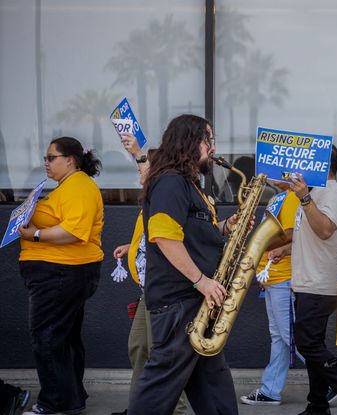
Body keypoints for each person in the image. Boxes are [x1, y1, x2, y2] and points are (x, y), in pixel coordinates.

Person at [128, 114, 239, 415]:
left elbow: (190, 236)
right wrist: (201, 281)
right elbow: (164, 238)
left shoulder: (189, 185)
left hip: (194, 300)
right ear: (188, 142)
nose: (213, 148)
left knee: (214, 383)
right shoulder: (170, 183)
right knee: (160, 385)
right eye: (208, 139)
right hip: (181, 301)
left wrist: (227, 226)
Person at [273, 145, 337, 415]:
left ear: (320, 164)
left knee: (308, 344)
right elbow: (310, 238)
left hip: (319, 283)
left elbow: (326, 230)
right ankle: (317, 405)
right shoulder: (317, 192)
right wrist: (283, 250)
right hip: (310, 281)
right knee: (313, 343)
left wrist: (304, 199)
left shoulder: (330, 192)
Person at [18, 137, 103, 415]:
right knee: (63, 337)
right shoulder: (66, 187)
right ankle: (71, 397)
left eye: (51, 157)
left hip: (61, 272)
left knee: (47, 337)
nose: (45, 162)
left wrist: (36, 234)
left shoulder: (79, 186)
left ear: (70, 160)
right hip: (60, 272)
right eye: (45, 157)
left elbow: (72, 231)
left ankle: (53, 402)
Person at [110, 135, 188, 415]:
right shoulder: (159, 193)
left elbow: (173, 235)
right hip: (149, 290)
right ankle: (139, 408)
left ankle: (173, 410)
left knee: (161, 356)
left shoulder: (170, 190)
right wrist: (132, 247)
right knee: (140, 346)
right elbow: (154, 235)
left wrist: (137, 153)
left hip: (165, 292)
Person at [240, 181, 300, 405]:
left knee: (291, 337)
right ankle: (270, 391)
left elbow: (291, 233)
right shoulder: (281, 196)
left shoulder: (293, 196)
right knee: (280, 338)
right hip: (273, 276)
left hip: (284, 276)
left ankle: (335, 381)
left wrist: (258, 245)